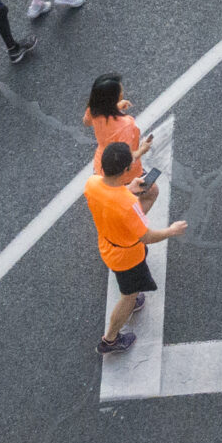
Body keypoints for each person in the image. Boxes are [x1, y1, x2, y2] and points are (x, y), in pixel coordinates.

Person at [87, 139, 184, 355]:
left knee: (131, 290)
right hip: (126, 257)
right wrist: (171, 230)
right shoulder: (127, 205)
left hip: (107, 242)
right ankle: (110, 339)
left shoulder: (92, 184)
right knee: (128, 295)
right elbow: (147, 237)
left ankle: (133, 300)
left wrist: (128, 189)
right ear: (126, 170)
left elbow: (111, 196)